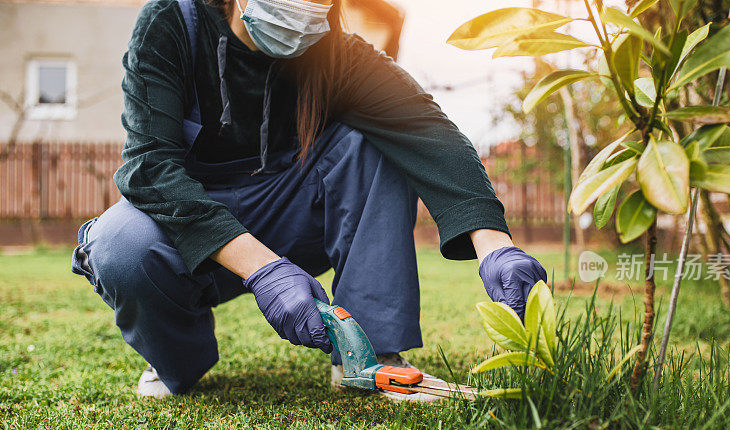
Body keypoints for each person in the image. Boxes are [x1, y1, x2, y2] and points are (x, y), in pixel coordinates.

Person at [70, 0, 546, 400]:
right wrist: (263, 269)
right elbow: (150, 167)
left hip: (290, 219)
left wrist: (494, 244)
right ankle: (178, 360)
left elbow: (427, 133)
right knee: (118, 245)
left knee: (372, 141)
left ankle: (370, 355)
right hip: (188, 231)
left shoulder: (334, 54)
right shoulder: (172, 23)